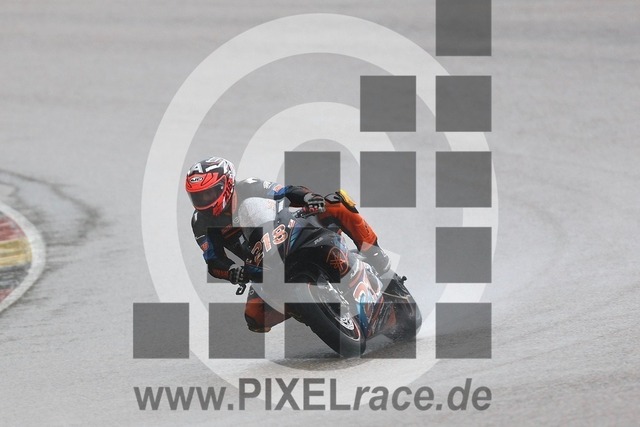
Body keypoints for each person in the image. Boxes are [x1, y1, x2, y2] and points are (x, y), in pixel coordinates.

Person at [186, 156, 397, 332]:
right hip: (261, 266)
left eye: (209, 193)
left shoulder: (249, 186)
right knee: (255, 318)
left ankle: (377, 257)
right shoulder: (200, 223)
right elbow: (214, 260)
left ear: (227, 184)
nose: (204, 200)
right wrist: (232, 271)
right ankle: (310, 312)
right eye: (197, 196)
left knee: (336, 203)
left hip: (291, 231)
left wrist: (309, 198)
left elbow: (286, 191)